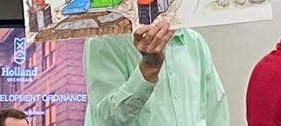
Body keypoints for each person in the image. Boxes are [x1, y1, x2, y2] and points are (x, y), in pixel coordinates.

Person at [83, 19, 229, 125]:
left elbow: (216, 113)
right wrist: (147, 69)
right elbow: (104, 120)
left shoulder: (193, 40)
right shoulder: (104, 41)